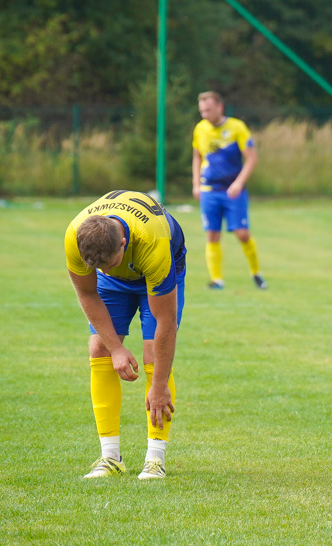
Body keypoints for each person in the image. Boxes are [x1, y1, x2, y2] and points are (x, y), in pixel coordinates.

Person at [65, 190, 187, 480]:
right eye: (99, 266)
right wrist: (116, 348)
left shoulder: (153, 241)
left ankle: (155, 459)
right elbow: (86, 291)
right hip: (115, 284)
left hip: (155, 270)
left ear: (123, 242)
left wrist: (158, 386)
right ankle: (110, 457)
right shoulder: (74, 236)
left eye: (110, 262)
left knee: (151, 353)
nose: (106, 269)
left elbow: (165, 321)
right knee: (99, 347)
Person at [192, 91, 266, 290]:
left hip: (233, 191)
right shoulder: (200, 129)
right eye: (201, 111)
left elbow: (251, 158)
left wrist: (239, 183)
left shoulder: (236, 127)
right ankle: (217, 280)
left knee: (242, 234)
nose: (204, 114)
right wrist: (196, 183)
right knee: (212, 235)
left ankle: (256, 273)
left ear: (219, 107)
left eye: (208, 110)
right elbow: (197, 156)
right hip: (209, 190)